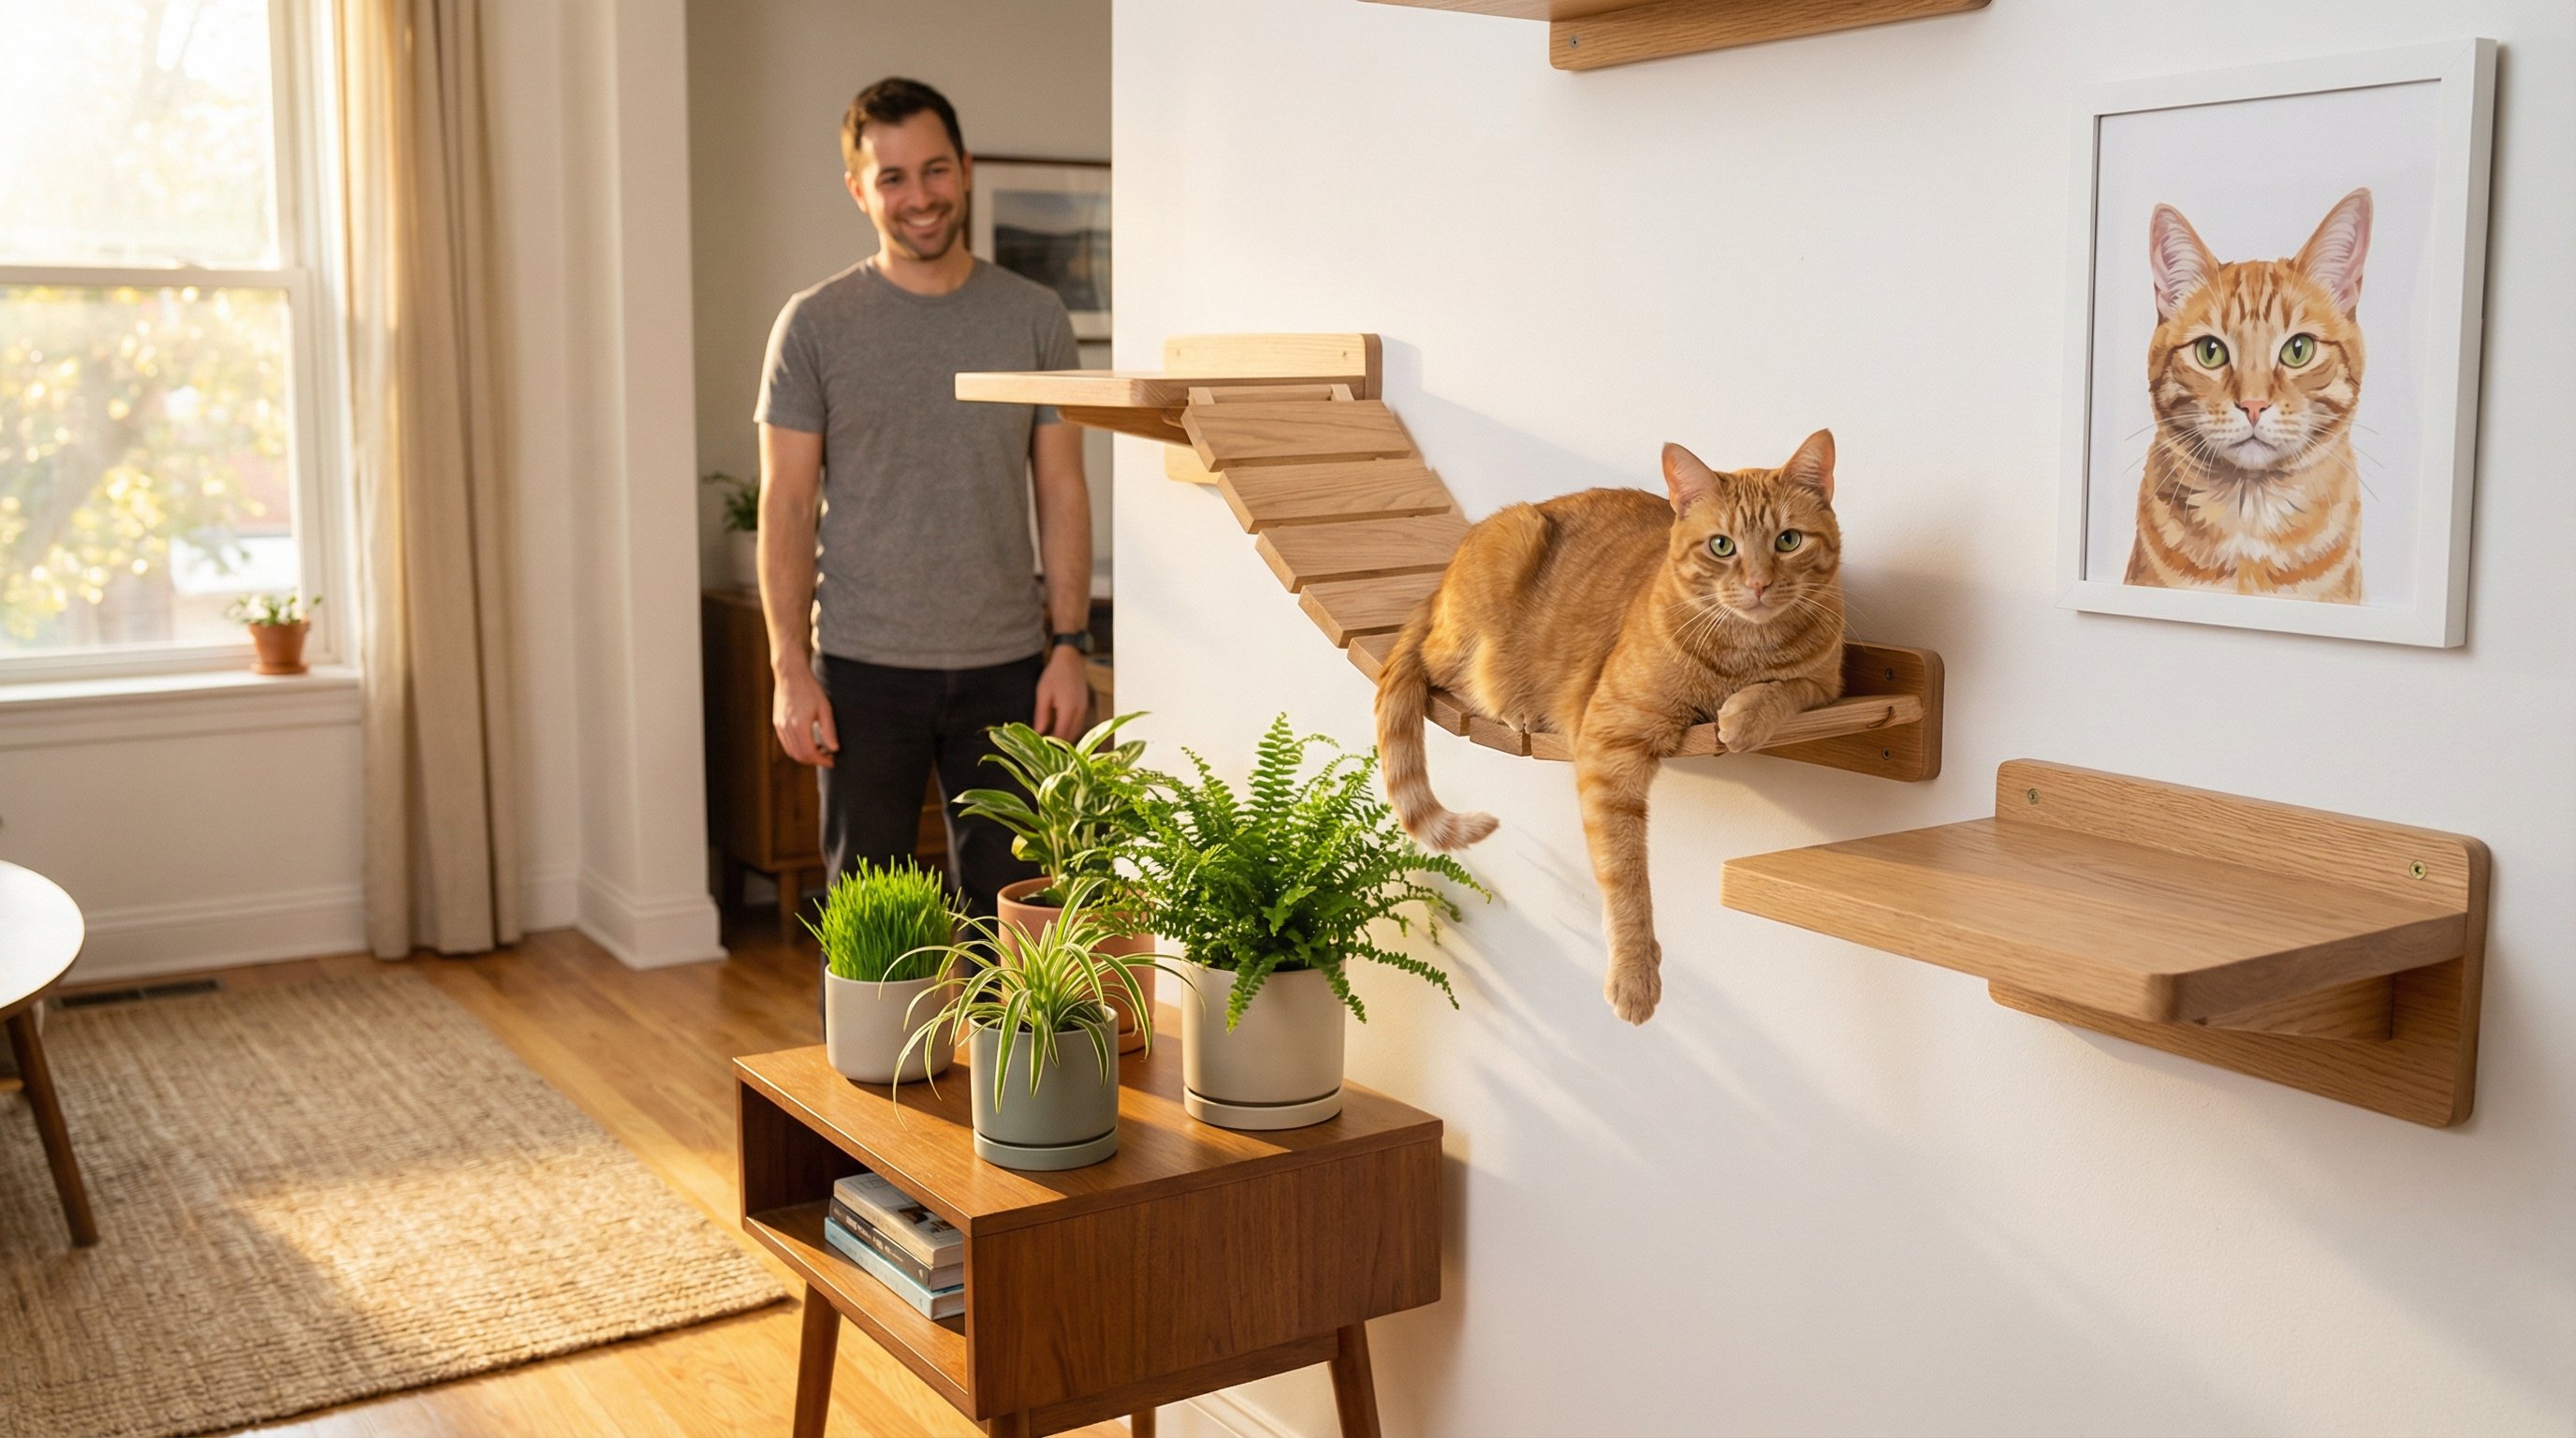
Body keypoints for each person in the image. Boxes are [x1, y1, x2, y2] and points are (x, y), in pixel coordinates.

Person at [753, 76, 1093, 923]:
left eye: (935, 171)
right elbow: (787, 509)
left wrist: (1069, 644)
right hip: (865, 672)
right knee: (869, 925)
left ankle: (1004, 1064)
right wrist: (789, 667)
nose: (919, 197)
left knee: (1010, 916)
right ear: (858, 189)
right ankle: (871, 1066)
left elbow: (1061, 489)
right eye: (893, 177)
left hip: (1008, 669)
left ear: (965, 170)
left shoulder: (1035, 315)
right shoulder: (814, 324)